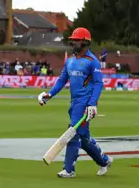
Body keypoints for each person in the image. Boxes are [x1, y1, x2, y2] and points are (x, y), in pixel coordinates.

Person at [37, 27, 113, 178]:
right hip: (74, 102)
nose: (72, 43)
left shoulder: (93, 62)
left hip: (85, 104)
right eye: (71, 41)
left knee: (72, 133)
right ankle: (104, 161)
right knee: (83, 138)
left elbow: (98, 84)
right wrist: (49, 94)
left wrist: (92, 104)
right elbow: (62, 80)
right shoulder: (70, 61)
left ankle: (69, 170)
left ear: (85, 42)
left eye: (76, 41)